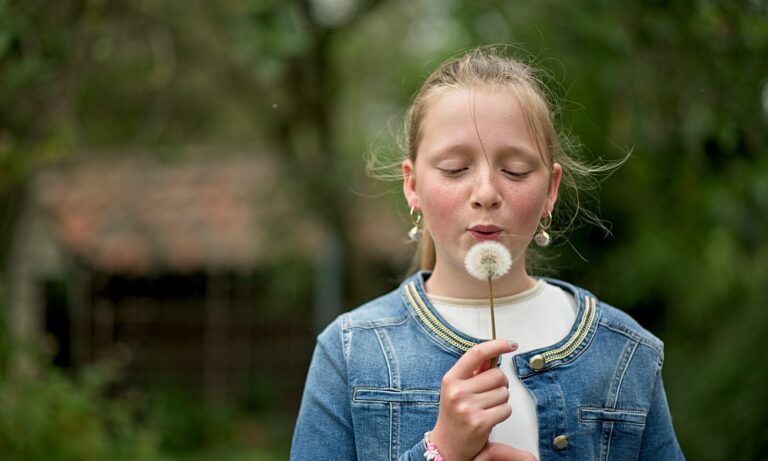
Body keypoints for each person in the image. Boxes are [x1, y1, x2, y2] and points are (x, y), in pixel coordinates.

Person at [291, 46, 685, 460]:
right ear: (413, 186)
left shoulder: (626, 354)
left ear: (551, 190)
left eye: (514, 170)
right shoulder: (351, 353)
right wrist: (440, 452)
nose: (485, 193)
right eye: (455, 169)